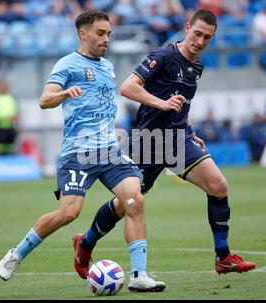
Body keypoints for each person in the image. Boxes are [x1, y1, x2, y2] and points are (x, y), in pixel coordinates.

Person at [72, 9, 255, 280]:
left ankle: (223, 256)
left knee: (218, 185)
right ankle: (85, 243)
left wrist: (190, 129)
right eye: (197, 33)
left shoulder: (198, 66)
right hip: (148, 142)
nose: (200, 41)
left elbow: (182, 103)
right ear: (186, 28)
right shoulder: (164, 56)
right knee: (127, 204)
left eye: (207, 37)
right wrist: (162, 104)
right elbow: (128, 87)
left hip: (178, 140)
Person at [0, 11, 166, 293]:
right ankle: (16, 254)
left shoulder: (108, 67)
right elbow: (44, 100)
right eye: (100, 33)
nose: (106, 39)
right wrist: (64, 93)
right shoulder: (67, 64)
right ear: (83, 34)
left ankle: (138, 274)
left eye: (109, 34)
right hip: (77, 151)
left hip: (109, 150)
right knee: (68, 212)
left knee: (134, 200)